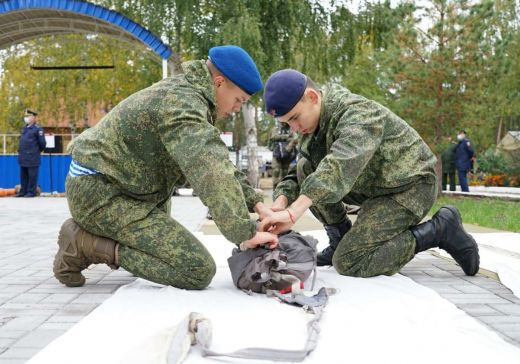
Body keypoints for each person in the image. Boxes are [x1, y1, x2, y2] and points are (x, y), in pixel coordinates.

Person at [53, 45, 278, 289]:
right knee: (196, 269)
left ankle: (107, 240)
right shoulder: (182, 104)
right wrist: (244, 234)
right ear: (220, 82)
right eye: (239, 100)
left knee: (162, 255)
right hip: (100, 192)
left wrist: (257, 206)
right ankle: (83, 243)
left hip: (128, 187)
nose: (236, 109)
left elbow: (218, 161)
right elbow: (210, 169)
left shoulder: (190, 94)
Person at [259, 69, 479, 278]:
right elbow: (299, 172)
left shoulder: (356, 113)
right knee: (306, 167)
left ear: (312, 96)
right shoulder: (313, 124)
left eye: (295, 118)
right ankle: (340, 239)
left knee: (350, 261)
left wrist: (291, 214)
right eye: (288, 124)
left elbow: (340, 165)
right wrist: (280, 204)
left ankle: (440, 230)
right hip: (375, 187)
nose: (294, 128)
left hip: (409, 188)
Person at [16, 109, 46, 197]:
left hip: (32, 157)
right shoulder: (25, 128)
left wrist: (36, 152)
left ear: (33, 117)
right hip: (23, 157)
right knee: (23, 176)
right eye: (25, 116)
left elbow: (42, 143)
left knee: (32, 176)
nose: (26, 118)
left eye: (28, 116)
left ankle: (31, 192)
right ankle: (23, 191)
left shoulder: (37, 129)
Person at [268, 121, 298, 190]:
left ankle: (282, 190)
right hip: (277, 153)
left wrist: (289, 146)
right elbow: (273, 136)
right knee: (276, 171)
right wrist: (286, 137)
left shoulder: (291, 128)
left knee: (285, 173)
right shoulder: (276, 128)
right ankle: (275, 189)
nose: (283, 123)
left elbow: (296, 138)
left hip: (287, 155)